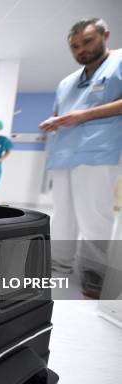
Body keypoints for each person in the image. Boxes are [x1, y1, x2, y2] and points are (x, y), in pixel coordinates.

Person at [38, 18, 122, 298]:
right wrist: (55, 121)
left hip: (98, 151)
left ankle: (94, 272)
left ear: (104, 35)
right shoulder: (67, 83)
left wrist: (83, 115)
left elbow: (81, 113)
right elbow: (63, 113)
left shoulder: (119, 62)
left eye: (87, 41)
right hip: (64, 153)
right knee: (62, 214)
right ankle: (59, 265)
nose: (81, 50)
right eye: (75, 46)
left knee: (94, 215)